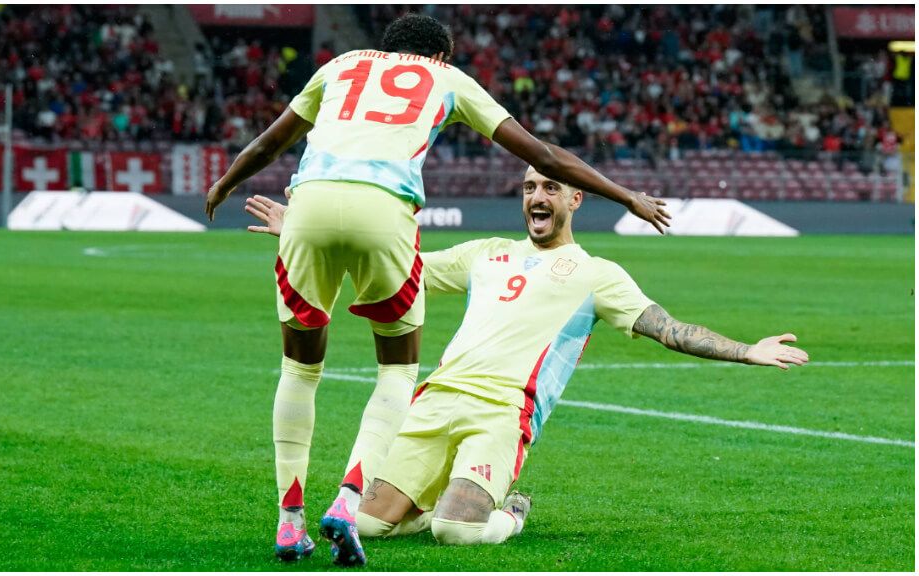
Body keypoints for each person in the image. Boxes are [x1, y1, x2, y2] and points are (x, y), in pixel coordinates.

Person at [206, 13, 670, 566]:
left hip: (306, 203)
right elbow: (543, 155)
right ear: (441, 56)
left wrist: (225, 183)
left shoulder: (340, 66)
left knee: (299, 370)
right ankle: (348, 500)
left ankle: (289, 523)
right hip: (384, 208)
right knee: (396, 371)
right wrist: (627, 197)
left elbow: (270, 142)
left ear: (386, 47)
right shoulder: (447, 78)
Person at [244, 167, 808, 556]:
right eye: (530, 187)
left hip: (501, 413)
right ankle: (430, 501)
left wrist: (746, 350)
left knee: (456, 533)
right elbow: (395, 268)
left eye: (550, 188)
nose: (537, 197)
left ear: (574, 199)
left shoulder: (598, 274)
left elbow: (669, 330)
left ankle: (509, 513)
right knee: (366, 523)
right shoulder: (485, 253)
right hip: (434, 401)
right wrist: (303, 234)